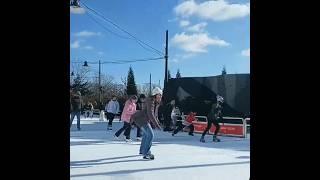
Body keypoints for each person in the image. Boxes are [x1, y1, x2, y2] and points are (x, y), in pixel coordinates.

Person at [130, 87, 163, 160]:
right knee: (150, 135)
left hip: (141, 119)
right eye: (159, 95)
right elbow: (150, 113)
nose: (160, 96)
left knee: (145, 135)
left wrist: (156, 121)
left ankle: (142, 150)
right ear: (156, 94)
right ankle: (146, 153)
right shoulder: (150, 101)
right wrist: (156, 124)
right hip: (141, 120)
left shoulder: (152, 100)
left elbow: (153, 114)